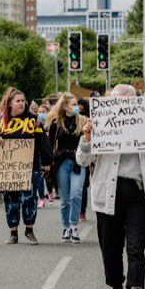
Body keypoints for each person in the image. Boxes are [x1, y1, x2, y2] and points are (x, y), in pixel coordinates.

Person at [77, 84, 145, 289]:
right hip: (106, 194)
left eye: (125, 101)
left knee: (135, 246)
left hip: (138, 194)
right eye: (115, 101)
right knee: (110, 249)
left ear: (135, 102)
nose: (119, 105)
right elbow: (83, 160)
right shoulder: (100, 122)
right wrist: (88, 138)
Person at [0, 87, 51, 245]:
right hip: (9, 168)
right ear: (10, 103)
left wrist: (47, 161)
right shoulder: (1, 119)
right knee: (11, 199)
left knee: (29, 198)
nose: (21, 103)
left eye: (23, 101)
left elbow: (43, 140)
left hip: (30, 166)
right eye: (18, 101)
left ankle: (29, 230)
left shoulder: (33, 120)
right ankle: (13, 233)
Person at [46, 93, 86, 244]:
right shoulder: (56, 123)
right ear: (65, 106)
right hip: (61, 163)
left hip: (78, 162)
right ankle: (66, 227)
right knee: (64, 198)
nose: (77, 107)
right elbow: (49, 145)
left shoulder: (83, 121)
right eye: (74, 105)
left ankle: (74, 225)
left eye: (77, 105)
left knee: (76, 194)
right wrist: (48, 163)